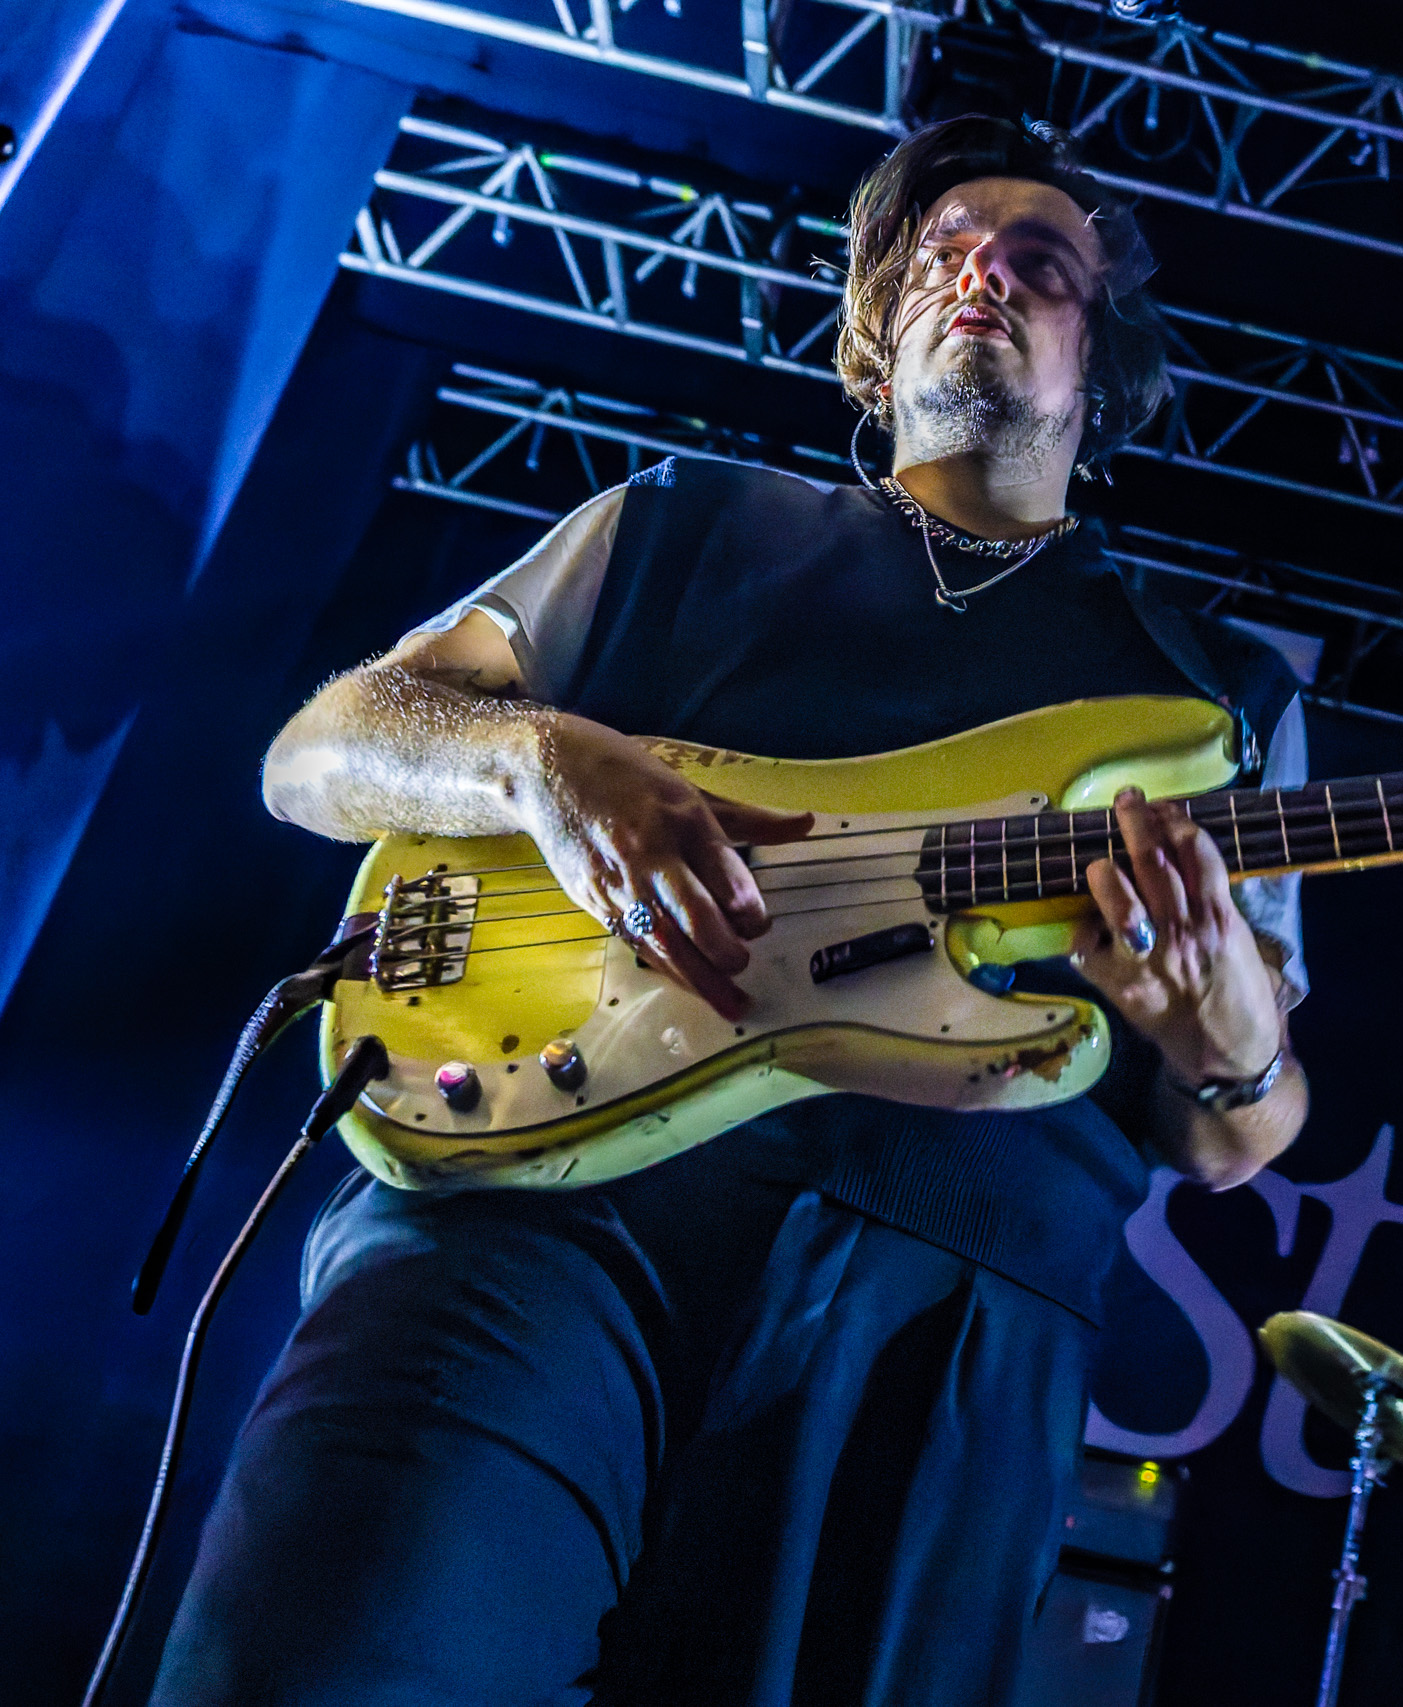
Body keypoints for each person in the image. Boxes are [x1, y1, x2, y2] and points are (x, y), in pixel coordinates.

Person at [151, 115, 1310, 1705]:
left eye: (1040, 265)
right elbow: (322, 749)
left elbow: (1236, 1132)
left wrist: (1231, 1040)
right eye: (944, 252)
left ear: (1099, 366)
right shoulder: (676, 524)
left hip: (948, 1309)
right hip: (529, 1204)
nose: (981, 274)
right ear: (877, 333)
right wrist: (536, 760)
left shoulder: (1215, 700)